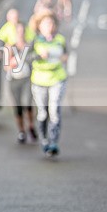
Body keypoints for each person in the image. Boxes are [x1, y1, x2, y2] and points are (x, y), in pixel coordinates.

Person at [30, 13, 68, 157]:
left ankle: (53, 143)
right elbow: (27, 58)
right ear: (39, 26)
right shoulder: (35, 41)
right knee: (43, 113)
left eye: (51, 24)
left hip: (57, 79)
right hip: (39, 81)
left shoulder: (60, 39)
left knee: (54, 111)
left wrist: (64, 57)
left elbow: (65, 55)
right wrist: (39, 56)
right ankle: (44, 140)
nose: (49, 26)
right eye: (46, 24)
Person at [6, 23, 37, 143]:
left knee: (27, 104)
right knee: (18, 107)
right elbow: (6, 66)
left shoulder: (29, 46)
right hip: (14, 81)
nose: (20, 34)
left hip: (27, 79)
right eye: (18, 31)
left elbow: (35, 59)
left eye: (22, 31)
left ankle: (31, 126)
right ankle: (21, 131)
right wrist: (11, 64)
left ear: (25, 32)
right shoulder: (10, 47)